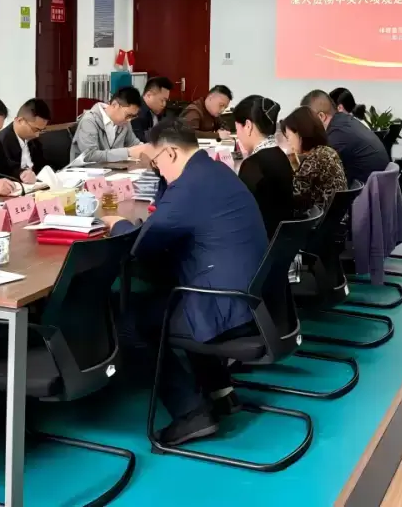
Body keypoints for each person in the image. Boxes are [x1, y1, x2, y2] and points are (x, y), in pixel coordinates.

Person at [105, 121, 267, 447]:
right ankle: (220, 390)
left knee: (130, 322)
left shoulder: (189, 186)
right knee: (166, 293)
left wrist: (116, 223)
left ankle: (190, 412)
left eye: (157, 163)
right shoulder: (214, 171)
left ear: (171, 152)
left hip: (225, 306)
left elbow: (142, 244)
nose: (158, 170)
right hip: (252, 300)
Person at [233, 94, 294, 238]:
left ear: (248, 126)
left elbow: (240, 213)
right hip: (279, 240)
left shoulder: (254, 164)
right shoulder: (280, 155)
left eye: (237, 129)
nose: (238, 135)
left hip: (259, 241)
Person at [301, 89, 388, 185]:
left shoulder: (337, 134)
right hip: (379, 186)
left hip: (367, 190)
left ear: (321, 116)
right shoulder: (345, 121)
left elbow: (316, 170)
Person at [281, 105, 348, 213]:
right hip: (337, 216)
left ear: (300, 134)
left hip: (322, 219)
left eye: (288, 137)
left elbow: (294, 194)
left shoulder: (316, 159)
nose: (288, 142)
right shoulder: (327, 151)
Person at [70, 86, 151, 164]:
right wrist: (127, 152)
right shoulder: (89, 121)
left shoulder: (124, 122)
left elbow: (133, 143)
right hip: (85, 170)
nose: (129, 120)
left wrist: (147, 149)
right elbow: (89, 155)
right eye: (128, 115)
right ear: (115, 105)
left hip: (111, 169)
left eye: (133, 116)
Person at [0, 98, 51, 181]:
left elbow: (41, 164)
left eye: (41, 130)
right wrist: (22, 175)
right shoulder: (1, 141)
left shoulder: (33, 139)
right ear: (20, 120)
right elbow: (6, 172)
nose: (37, 135)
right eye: (35, 129)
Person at [133, 76, 174, 142]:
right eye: (162, 100)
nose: (164, 104)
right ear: (149, 95)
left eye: (166, 101)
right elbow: (141, 142)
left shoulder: (157, 111)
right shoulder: (136, 113)